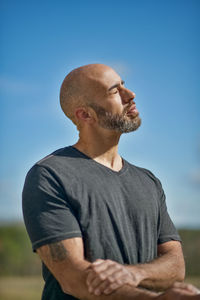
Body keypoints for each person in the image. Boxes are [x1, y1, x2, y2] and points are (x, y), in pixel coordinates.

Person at [22, 63, 200, 300]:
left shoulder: (148, 181)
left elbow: (175, 267)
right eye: (114, 91)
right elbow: (73, 278)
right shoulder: (49, 175)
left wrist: (132, 273)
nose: (131, 95)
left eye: (124, 85)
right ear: (85, 114)